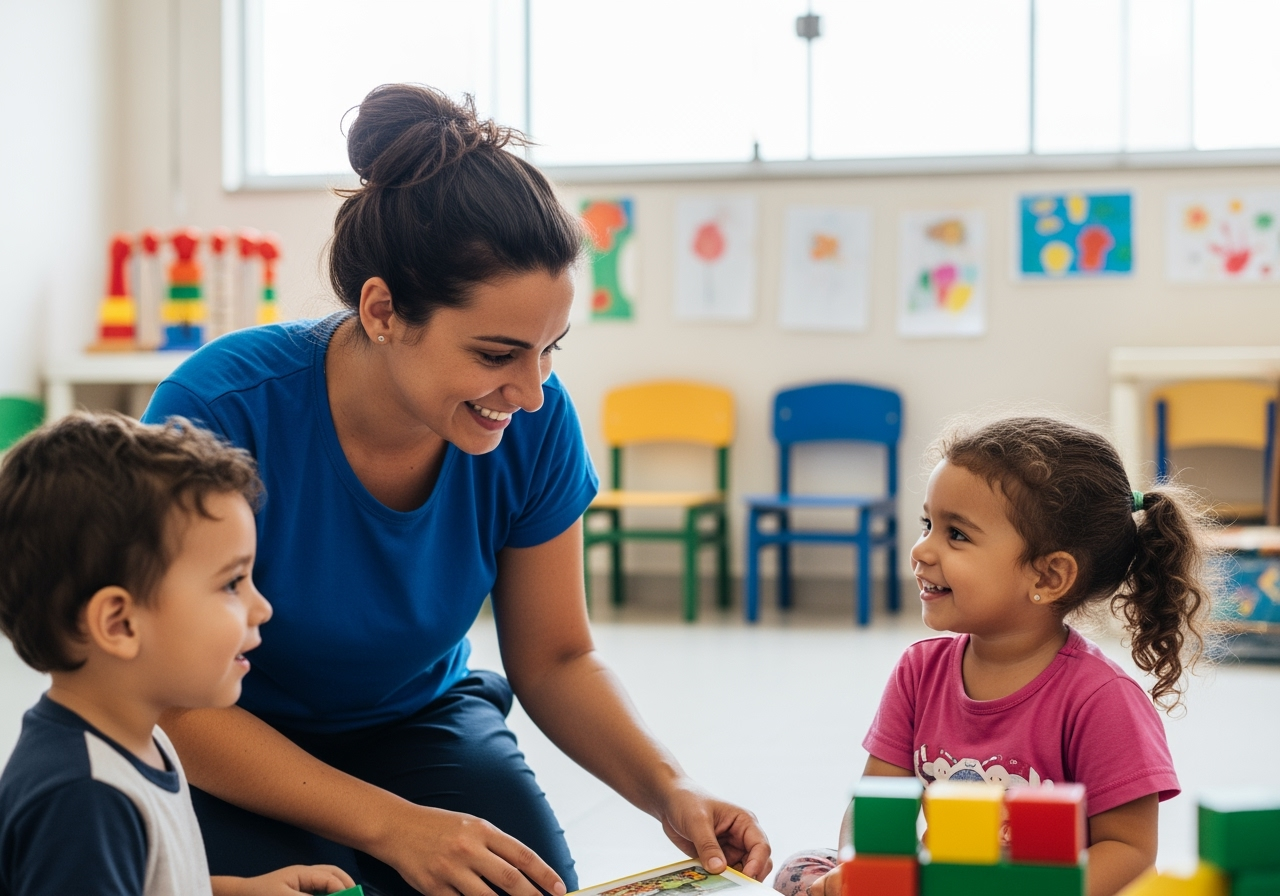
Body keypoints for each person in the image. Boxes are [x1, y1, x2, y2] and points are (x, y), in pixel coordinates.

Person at [140, 83, 770, 896]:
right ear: (381, 310)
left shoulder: (535, 422)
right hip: (230, 732)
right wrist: (391, 825)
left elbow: (557, 657)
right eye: (496, 354)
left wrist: (668, 787)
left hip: (421, 720)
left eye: (550, 349)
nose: (532, 392)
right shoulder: (221, 411)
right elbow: (161, 693)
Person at [773, 416, 1212, 896]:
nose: (921, 551)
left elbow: (1129, 851)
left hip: (1046, 891)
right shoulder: (918, 671)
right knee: (801, 870)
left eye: (956, 535)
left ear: (1048, 577)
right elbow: (876, 805)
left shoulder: (1102, 699)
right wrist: (861, 868)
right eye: (928, 524)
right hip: (944, 884)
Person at [0, 412, 357, 896]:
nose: (262, 608)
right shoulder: (84, 799)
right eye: (232, 583)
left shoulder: (142, 738)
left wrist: (240, 891)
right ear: (120, 624)